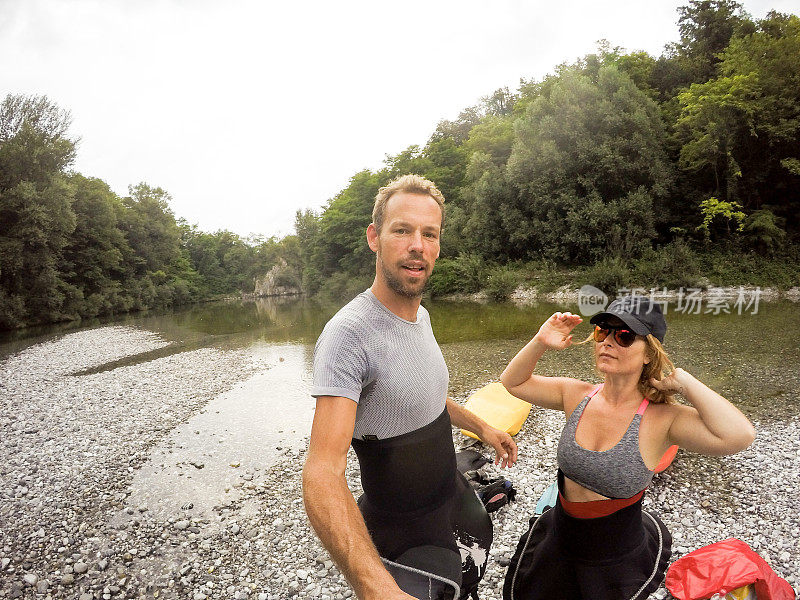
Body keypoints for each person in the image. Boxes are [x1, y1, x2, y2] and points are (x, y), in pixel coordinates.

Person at [302, 174, 518, 600]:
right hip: (404, 535)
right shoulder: (348, 335)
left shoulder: (421, 317)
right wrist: (374, 587)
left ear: (437, 245)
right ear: (374, 237)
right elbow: (322, 471)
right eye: (402, 230)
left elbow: (424, 395)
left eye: (429, 233)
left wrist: (484, 428)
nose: (417, 244)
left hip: (453, 499)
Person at [499, 296, 756, 600]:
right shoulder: (576, 394)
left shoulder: (664, 418)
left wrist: (684, 382)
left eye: (623, 336)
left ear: (649, 354)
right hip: (561, 538)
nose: (607, 342)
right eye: (602, 332)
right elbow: (512, 382)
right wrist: (541, 340)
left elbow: (739, 436)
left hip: (614, 557)